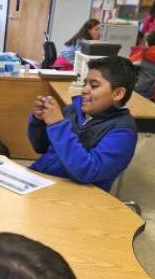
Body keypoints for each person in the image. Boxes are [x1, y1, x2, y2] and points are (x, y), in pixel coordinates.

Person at [27, 56, 138, 192]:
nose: (84, 90)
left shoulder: (123, 131)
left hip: (76, 195)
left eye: (94, 85)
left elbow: (87, 172)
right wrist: (39, 121)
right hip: (41, 179)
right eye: (85, 84)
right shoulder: (74, 110)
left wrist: (57, 126)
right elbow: (40, 147)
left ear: (118, 93)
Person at [132, 31, 155, 98]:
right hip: (154, 91)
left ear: (148, 42)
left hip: (139, 88)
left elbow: (129, 63)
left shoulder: (147, 54)